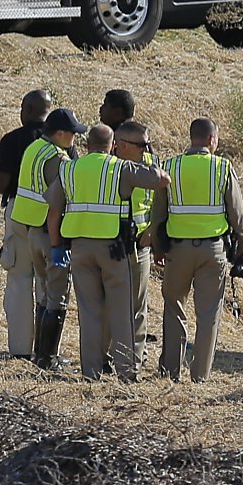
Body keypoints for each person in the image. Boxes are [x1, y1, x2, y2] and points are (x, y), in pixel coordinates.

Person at [45, 123, 169, 380]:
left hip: (79, 249)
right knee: (122, 311)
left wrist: (56, 245)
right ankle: (127, 372)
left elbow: (54, 211)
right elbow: (161, 179)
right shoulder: (120, 168)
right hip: (115, 249)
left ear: (86, 145)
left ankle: (91, 372)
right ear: (113, 145)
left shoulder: (69, 168)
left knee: (88, 312)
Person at [142, 117, 243, 382]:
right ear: (212, 140)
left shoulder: (170, 166)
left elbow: (158, 214)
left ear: (191, 138)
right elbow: (237, 214)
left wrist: (158, 246)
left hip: (177, 251)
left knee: (174, 307)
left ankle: (170, 371)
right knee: (208, 314)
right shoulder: (222, 168)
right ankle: (200, 375)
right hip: (212, 251)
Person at [7, 107, 84, 366]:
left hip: (30, 229)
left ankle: (41, 354)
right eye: (73, 134)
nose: (76, 139)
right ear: (60, 133)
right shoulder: (56, 159)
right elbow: (61, 199)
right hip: (50, 233)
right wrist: (59, 243)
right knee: (57, 296)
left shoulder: (34, 148)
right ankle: (47, 358)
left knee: (44, 295)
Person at [113, 118, 159, 353]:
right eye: (141, 145)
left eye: (148, 145)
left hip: (140, 243)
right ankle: (109, 356)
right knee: (110, 304)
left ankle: (135, 356)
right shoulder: (109, 165)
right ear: (121, 144)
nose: (146, 150)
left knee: (138, 306)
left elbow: (160, 202)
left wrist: (152, 232)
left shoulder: (153, 165)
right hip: (112, 243)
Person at [0, 89, 54, 209]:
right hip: (52, 209)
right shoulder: (61, 139)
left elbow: (1, 182)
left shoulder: (12, 139)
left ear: (29, 109)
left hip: (19, 208)